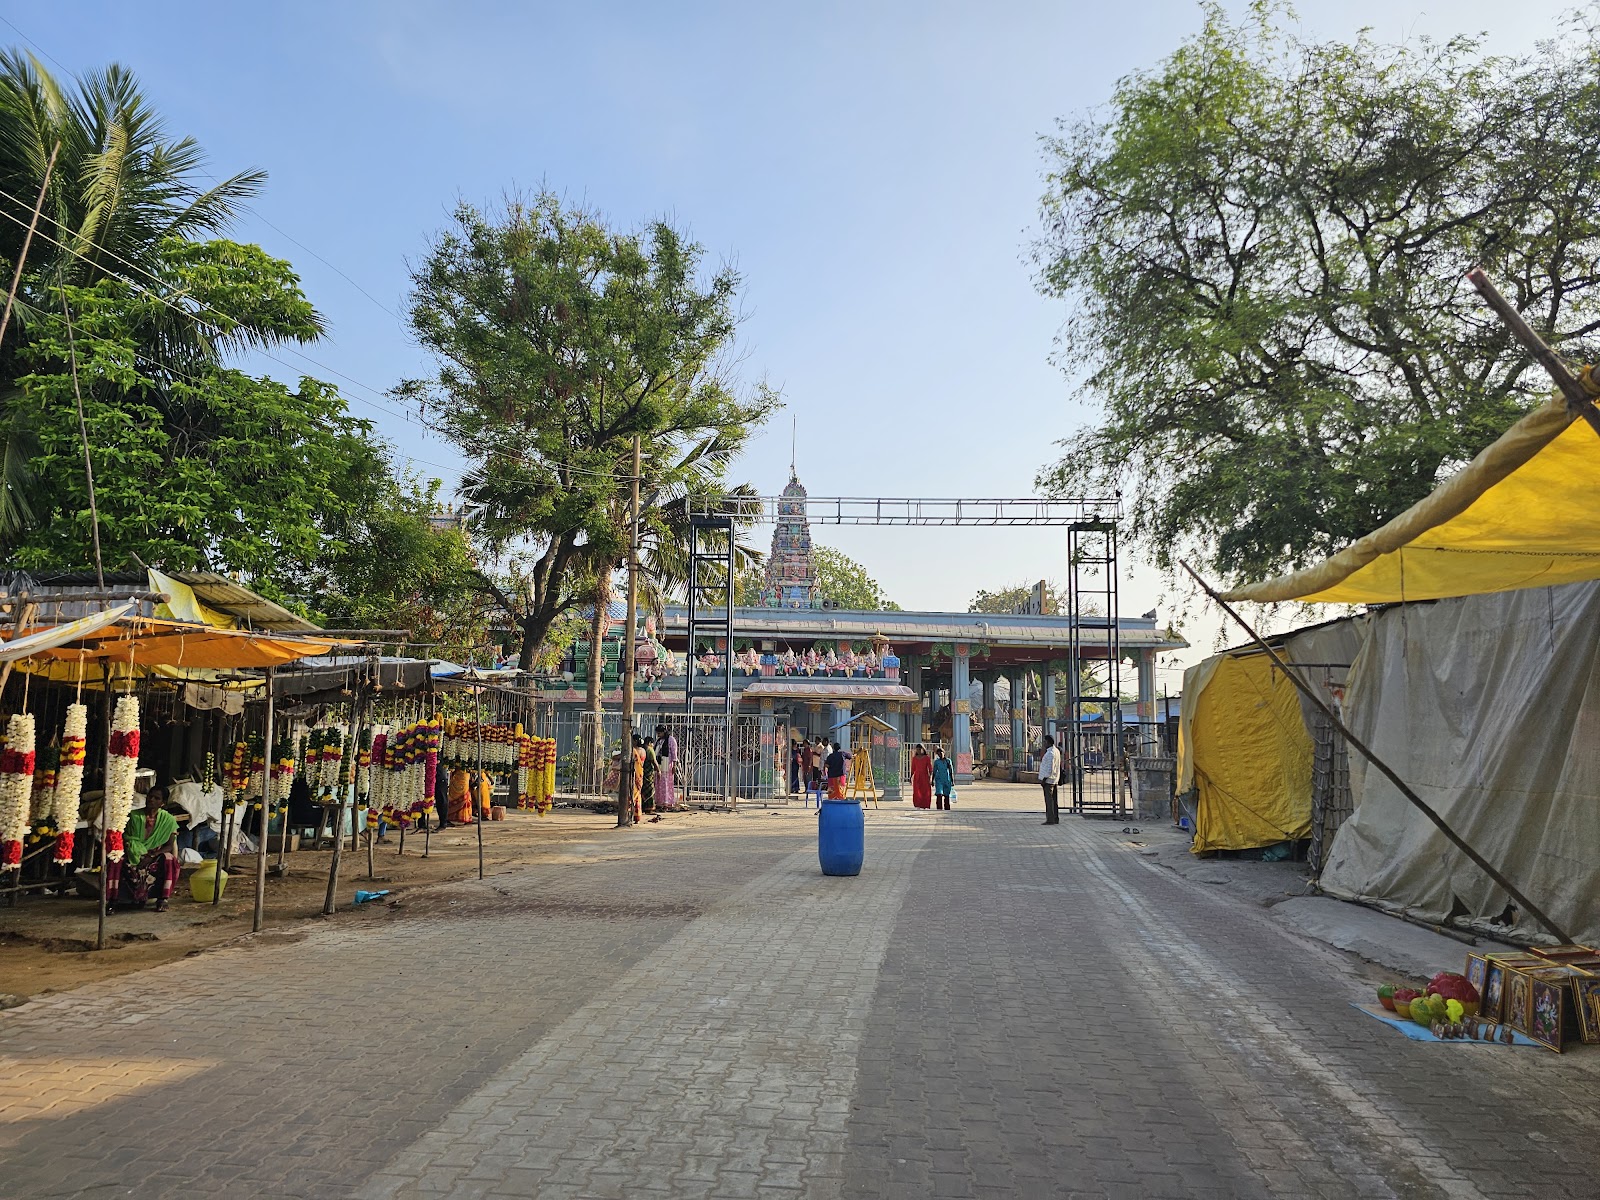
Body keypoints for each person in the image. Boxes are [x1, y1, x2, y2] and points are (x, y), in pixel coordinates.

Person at [109, 787, 181, 912]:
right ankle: (113, 901)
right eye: (150, 796)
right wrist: (134, 852)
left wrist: (152, 855)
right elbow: (123, 837)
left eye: (157, 798)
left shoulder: (168, 820)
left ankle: (163, 899)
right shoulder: (133, 816)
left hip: (153, 855)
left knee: (169, 859)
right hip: (132, 853)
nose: (151, 800)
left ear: (163, 803)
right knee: (116, 860)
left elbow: (169, 845)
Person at [653, 724, 678, 811]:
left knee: (666, 784)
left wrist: (674, 765)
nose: (658, 735)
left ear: (664, 732)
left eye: (659, 733)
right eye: (657, 733)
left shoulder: (671, 740)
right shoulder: (659, 740)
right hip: (659, 764)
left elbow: (674, 753)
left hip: (667, 765)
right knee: (658, 783)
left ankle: (667, 802)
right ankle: (659, 802)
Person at [1037, 735, 1061, 825]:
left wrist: (1044, 779)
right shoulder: (1056, 751)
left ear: (1048, 742)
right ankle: (1055, 818)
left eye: (1044, 742)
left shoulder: (1050, 753)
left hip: (1049, 780)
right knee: (1054, 800)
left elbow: (1049, 768)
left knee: (1049, 801)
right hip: (1054, 779)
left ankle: (1050, 819)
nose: (1044, 744)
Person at [910, 744, 933, 810]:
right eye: (917, 749)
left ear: (923, 749)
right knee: (917, 791)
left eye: (920, 749)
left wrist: (931, 777)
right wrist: (910, 777)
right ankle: (918, 804)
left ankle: (925, 805)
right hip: (917, 776)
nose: (919, 751)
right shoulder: (914, 758)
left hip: (925, 776)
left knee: (925, 791)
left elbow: (930, 768)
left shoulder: (927, 758)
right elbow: (913, 768)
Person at [931, 746, 954, 811]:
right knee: (939, 794)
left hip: (947, 779)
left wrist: (952, 781)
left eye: (941, 753)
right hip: (939, 779)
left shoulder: (948, 761)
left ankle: (947, 808)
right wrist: (932, 780)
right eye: (938, 754)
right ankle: (939, 808)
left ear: (944, 753)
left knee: (946, 795)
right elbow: (934, 771)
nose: (940, 755)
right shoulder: (937, 762)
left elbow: (951, 771)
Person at [640, 735, 658, 815]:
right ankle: (649, 808)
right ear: (650, 743)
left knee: (642, 789)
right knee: (650, 790)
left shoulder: (641, 749)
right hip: (648, 773)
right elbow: (654, 761)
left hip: (641, 772)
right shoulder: (650, 750)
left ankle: (642, 807)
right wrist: (658, 771)